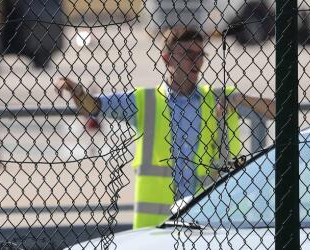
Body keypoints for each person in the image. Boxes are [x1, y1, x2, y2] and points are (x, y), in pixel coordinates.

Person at [55, 26, 276, 229]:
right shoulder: (145, 101)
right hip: (157, 225)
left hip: (206, 219)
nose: (196, 61)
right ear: (166, 58)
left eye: (200, 55)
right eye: (188, 55)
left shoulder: (217, 98)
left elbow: (281, 111)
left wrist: (243, 99)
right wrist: (78, 93)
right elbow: (94, 107)